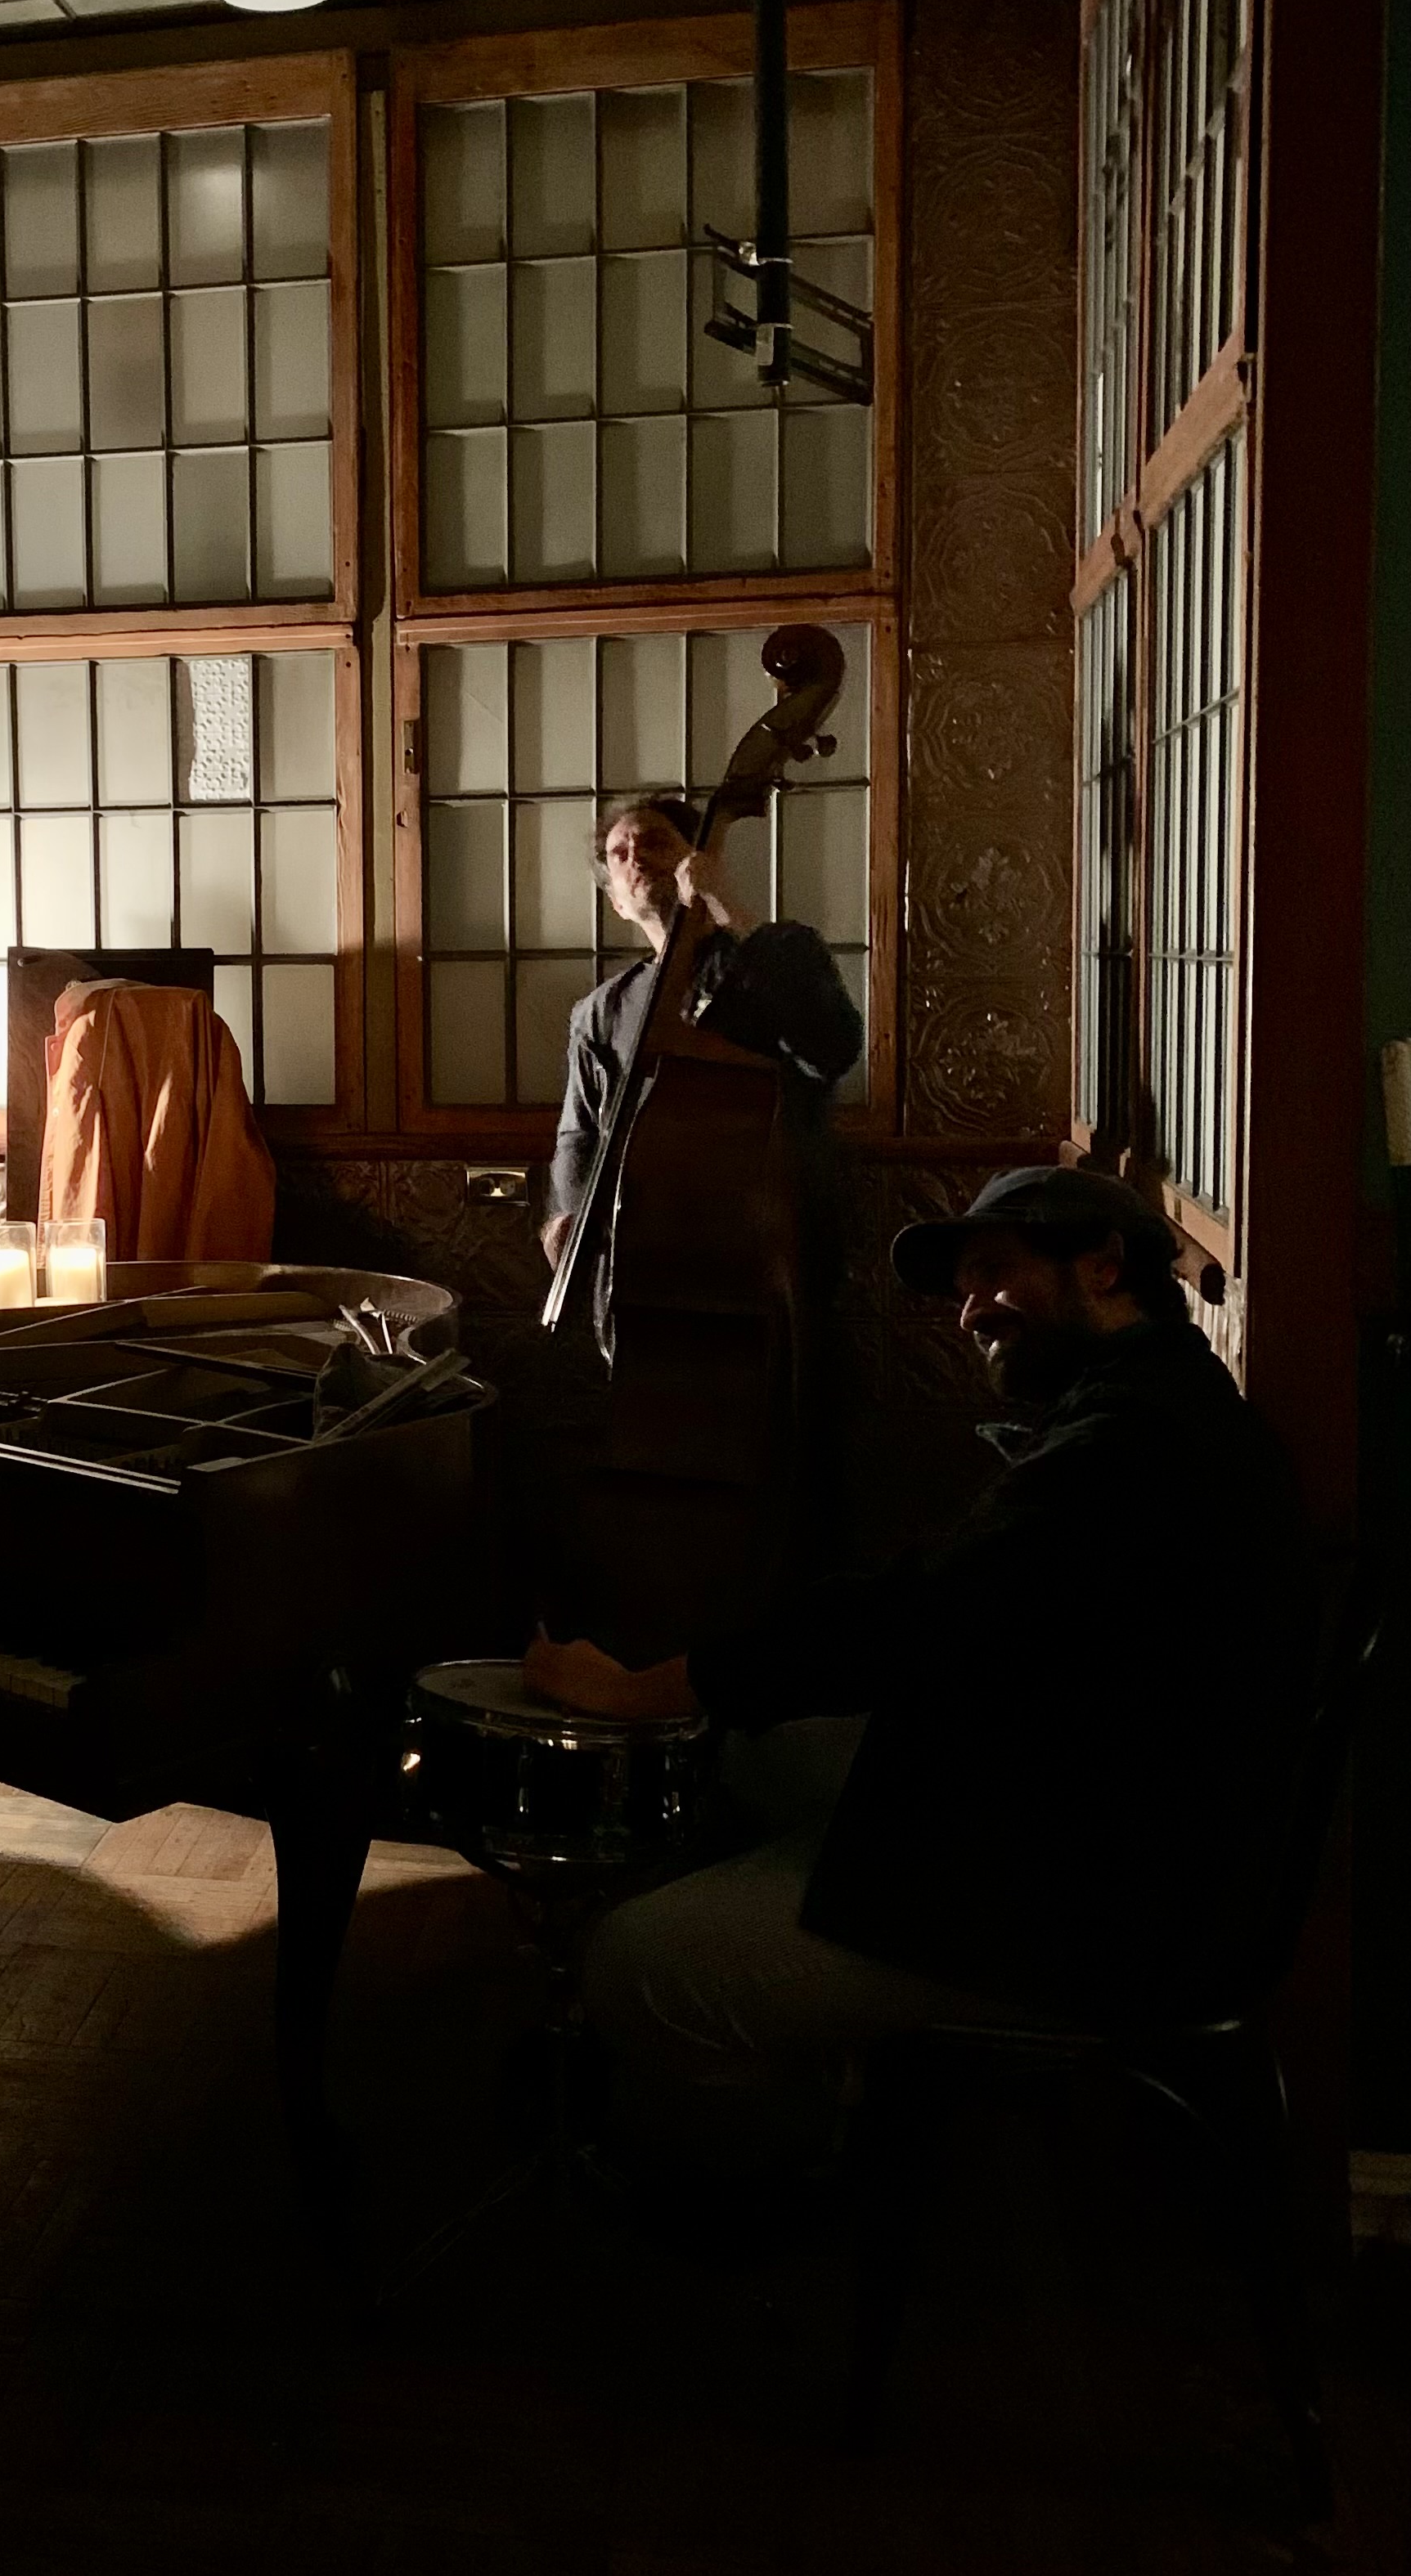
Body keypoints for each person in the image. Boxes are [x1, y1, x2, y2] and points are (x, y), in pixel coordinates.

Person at [525, 1167, 1310, 2179]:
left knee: (637, 1966)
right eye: (963, 1290)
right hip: (1089, 1810)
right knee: (756, 1749)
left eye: (995, 1274)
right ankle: (812, 2045)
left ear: (1104, 1266)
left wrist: (654, 1687)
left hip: (1102, 1901)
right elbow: (950, 1608)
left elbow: (919, 1613)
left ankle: (749, 2208)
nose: (970, 1310)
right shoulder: (1151, 1396)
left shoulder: (1138, 1441)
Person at [543, 793, 863, 1348]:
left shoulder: (776, 957)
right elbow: (579, 1133)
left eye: (656, 841)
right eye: (620, 853)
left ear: (699, 860)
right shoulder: (600, 1012)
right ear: (617, 902)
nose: (636, 856)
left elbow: (831, 1047)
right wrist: (568, 1213)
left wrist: (723, 901)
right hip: (638, 1270)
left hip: (762, 1260)